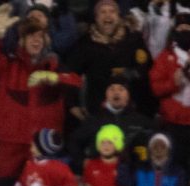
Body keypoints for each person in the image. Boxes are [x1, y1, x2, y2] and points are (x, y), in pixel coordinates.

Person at [0, 14, 81, 186]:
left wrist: (56, 78)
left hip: (44, 147)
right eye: (31, 36)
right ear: (22, 40)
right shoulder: (9, 66)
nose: (36, 40)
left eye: (40, 36)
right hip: (10, 144)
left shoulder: (55, 65)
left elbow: (76, 83)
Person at [66, 0, 156, 119]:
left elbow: (147, 68)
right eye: (103, 12)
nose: (108, 15)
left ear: (119, 16)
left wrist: (134, 73)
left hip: (133, 110)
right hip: (98, 110)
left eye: (112, 11)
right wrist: (72, 104)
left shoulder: (134, 39)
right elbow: (72, 75)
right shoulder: (85, 44)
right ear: (96, 18)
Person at [68, 74, 155, 174]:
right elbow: (74, 141)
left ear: (128, 95)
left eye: (121, 89)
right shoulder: (94, 120)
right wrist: (82, 162)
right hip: (99, 176)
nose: (116, 92)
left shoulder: (141, 121)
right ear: (106, 94)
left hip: (131, 176)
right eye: (112, 89)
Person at [0, 129, 79, 186]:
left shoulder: (60, 168)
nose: (30, 147)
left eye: (34, 145)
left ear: (42, 149)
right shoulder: (30, 166)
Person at [149, 13, 190, 172]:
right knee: (175, 169)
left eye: (188, 28)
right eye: (181, 28)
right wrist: (173, 82)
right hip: (173, 123)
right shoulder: (165, 57)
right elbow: (156, 88)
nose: (185, 31)